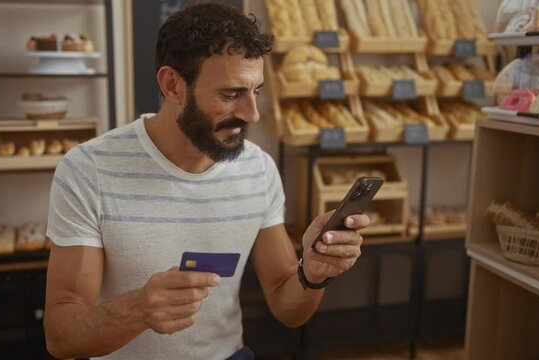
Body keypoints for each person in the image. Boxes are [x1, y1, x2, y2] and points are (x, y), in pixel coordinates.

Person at [43, 2, 369, 359]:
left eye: (255, 91)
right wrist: (139, 309)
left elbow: (287, 307)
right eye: (230, 95)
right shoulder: (88, 170)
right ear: (172, 85)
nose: (252, 114)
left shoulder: (257, 169)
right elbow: (62, 336)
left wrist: (313, 273)